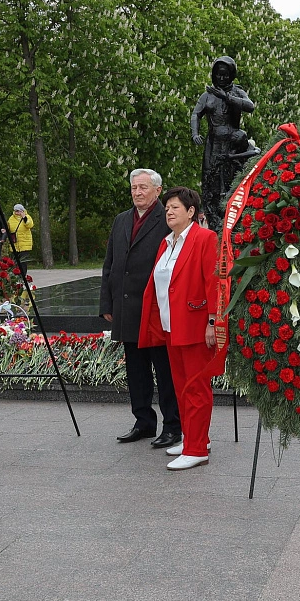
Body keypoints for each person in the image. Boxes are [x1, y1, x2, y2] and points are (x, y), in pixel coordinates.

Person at [100, 168, 181, 449]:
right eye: (134, 188)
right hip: (127, 308)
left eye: (143, 187)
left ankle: (173, 426)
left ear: (158, 190)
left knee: (165, 371)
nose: (137, 192)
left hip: (156, 309)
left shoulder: (167, 218)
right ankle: (143, 422)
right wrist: (107, 303)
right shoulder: (122, 219)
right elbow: (110, 264)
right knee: (136, 371)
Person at [139, 187, 219, 470]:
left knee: (196, 388)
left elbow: (214, 281)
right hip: (171, 326)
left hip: (196, 326)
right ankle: (194, 439)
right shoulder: (167, 243)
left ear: (191, 211)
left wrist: (212, 321)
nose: (169, 212)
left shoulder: (205, 238)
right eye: (167, 208)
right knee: (182, 387)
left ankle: (197, 450)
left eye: (175, 207)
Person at [191, 56, 255, 231]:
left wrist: (226, 97)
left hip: (232, 143)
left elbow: (250, 106)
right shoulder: (207, 95)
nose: (221, 78)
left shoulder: (237, 92)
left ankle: (232, 222)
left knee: (230, 181)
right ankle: (214, 224)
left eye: (225, 75)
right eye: (218, 75)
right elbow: (196, 114)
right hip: (213, 144)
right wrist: (195, 133)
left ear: (231, 75)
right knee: (210, 182)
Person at [8, 203, 34, 276]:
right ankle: (16, 275)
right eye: (16, 211)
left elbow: (30, 225)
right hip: (15, 243)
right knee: (15, 261)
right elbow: (8, 227)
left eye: (19, 211)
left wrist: (24, 218)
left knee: (23, 261)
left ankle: (23, 275)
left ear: (22, 211)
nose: (17, 213)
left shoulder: (27, 217)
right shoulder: (11, 218)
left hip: (25, 243)